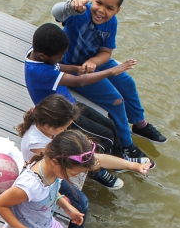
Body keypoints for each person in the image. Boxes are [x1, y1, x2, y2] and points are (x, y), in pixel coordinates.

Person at [17, 95, 153, 228]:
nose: (65, 131)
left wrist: (131, 165)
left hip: (51, 170)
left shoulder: (46, 130)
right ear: (48, 126)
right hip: (45, 176)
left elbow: (96, 158)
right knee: (81, 201)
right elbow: (96, 159)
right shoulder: (39, 144)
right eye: (63, 129)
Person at [52, 0, 167, 151]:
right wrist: (69, 6)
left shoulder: (112, 23)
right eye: (99, 3)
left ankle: (139, 124)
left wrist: (93, 62)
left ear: (117, 10)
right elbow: (57, 13)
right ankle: (126, 144)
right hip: (75, 68)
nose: (101, 10)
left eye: (110, 8)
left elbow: (106, 53)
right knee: (116, 101)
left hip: (95, 61)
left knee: (128, 83)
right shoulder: (78, 11)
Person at [25, 22, 154, 172]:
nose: (62, 58)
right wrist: (112, 71)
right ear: (43, 56)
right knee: (104, 138)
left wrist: (74, 68)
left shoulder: (35, 52)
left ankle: (120, 161)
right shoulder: (39, 72)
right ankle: (96, 169)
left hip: (68, 103)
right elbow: (78, 82)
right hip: (61, 115)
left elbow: (56, 66)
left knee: (110, 125)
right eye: (60, 56)